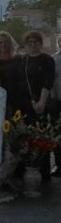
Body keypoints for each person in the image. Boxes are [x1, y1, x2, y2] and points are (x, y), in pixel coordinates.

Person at [13, 31, 55, 180]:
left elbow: (48, 82)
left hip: (39, 104)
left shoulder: (47, 60)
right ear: (25, 45)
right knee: (23, 138)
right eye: (29, 42)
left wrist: (42, 102)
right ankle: (23, 171)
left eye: (35, 42)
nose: (32, 45)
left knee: (40, 139)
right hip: (22, 105)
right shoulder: (22, 60)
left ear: (40, 43)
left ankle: (42, 173)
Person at [0, 31, 20, 118]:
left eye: (5, 42)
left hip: (15, 96)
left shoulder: (18, 58)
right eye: (0, 42)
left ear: (10, 43)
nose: (3, 45)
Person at [50, 35, 61, 177]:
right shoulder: (53, 59)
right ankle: (59, 164)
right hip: (57, 100)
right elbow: (49, 81)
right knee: (56, 135)